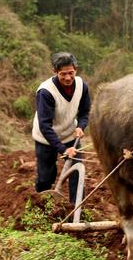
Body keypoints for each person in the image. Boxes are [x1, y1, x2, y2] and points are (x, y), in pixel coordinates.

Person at [32, 52, 90, 203]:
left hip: (70, 135)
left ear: (76, 70)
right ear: (55, 71)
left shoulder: (81, 86)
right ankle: (42, 208)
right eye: (63, 74)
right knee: (46, 178)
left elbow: (85, 112)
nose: (68, 78)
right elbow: (45, 126)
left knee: (77, 175)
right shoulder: (45, 92)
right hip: (45, 138)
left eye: (71, 73)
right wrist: (63, 150)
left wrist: (81, 126)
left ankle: (76, 210)